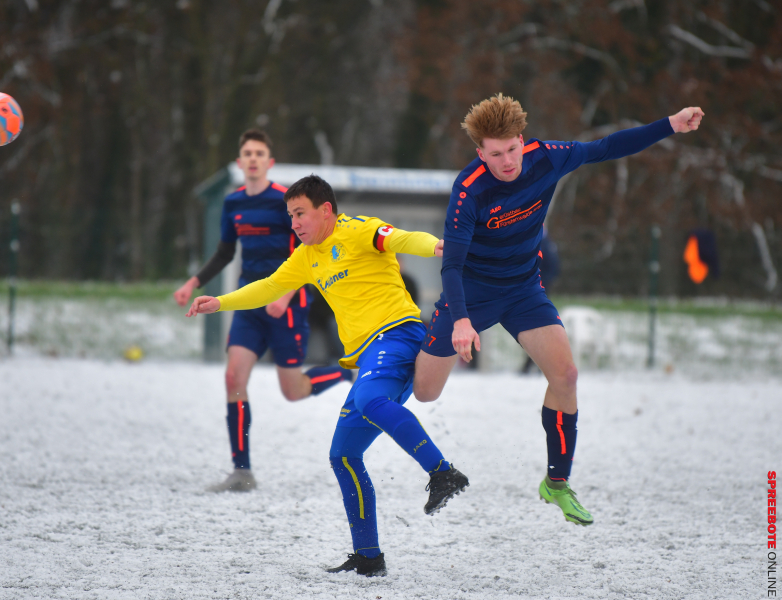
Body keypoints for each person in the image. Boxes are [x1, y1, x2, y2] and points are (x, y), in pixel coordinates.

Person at [414, 94, 704, 526]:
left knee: (566, 376)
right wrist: (460, 318)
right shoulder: (469, 189)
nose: (507, 161)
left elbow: (605, 148)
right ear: (481, 153)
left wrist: (670, 124)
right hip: (472, 293)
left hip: (523, 288)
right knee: (424, 392)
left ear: (522, 140)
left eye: (512, 148)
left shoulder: (546, 157)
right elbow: (451, 264)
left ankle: (556, 483)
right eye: (495, 154)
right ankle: (391, 352)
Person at [185, 175, 469, 577]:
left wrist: (438, 245)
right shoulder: (306, 255)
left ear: (326, 210)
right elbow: (268, 286)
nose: (294, 223)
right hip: (365, 355)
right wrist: (220, 302)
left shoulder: (360, 230)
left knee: (372, 402)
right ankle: (369, 557)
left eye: (300, 213)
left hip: (399, 335)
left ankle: (442, 472)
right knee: (343, 455)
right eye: (290, 216)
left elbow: (405, 239)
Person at [174, 130, 352, 493]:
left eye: (259, 153)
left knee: (294, 390)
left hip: (287, 305)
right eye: (247, 154)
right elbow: (225, 252)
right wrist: (194, 282)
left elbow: (307, 254)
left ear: (269, 162)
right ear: (239, 164)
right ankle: (242, 471)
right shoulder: (232, 203)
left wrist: (285, 296)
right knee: (233, 379)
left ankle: (345, 373)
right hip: (250, 304)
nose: (253, 158)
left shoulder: (283, 202)